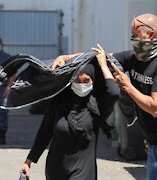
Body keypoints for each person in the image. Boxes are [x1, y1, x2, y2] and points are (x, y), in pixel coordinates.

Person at [52, 14, 157, 180]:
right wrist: (64, 58)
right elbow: (98, 57)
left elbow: (156, 108)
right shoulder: (133, 58)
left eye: (135, 34)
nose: (132, 38)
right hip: (154, 143)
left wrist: (128, 86)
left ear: (150, 35)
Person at [19, 46, 120, 180]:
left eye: (86, 81)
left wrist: (103, 65)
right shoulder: (58, 102)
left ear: (93, 82)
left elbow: (114, 92)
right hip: (55, 171)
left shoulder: (97, 106)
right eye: (77, 81)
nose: (81, 84)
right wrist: (28, 161)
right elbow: (44, 132)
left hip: (83, 173)